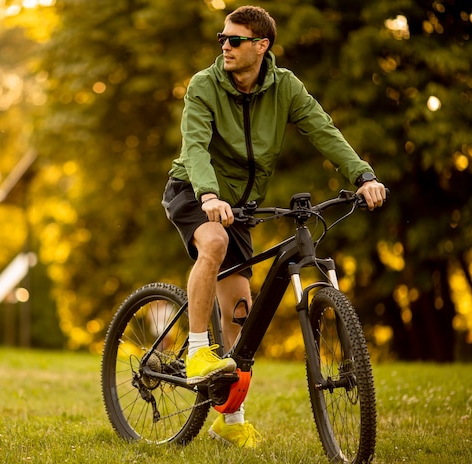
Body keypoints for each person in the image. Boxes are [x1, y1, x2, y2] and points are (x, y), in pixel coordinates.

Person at [161, 5, 386, 448]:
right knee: (214, 242)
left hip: (241, 205)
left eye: (235, 40)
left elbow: (323, 130)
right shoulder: (204, 86)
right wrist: (208, 194)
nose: (224, 45)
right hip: (193, 190)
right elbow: (196, 146)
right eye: (222, 38)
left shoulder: (285, 87)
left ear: (261, 46)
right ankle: (195, 351)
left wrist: (363, 176)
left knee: (241, 315)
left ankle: (230, 423)